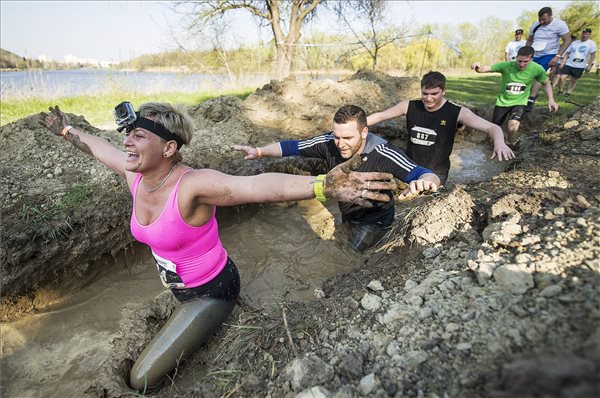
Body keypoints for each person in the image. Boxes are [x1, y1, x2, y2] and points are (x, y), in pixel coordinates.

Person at [38, 102, 397, 392]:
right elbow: (100, 149)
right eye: (128, 135)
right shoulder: (136, 175)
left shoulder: (193, 185)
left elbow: (257, 187)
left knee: (140, 379)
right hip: (180, 287)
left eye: (139, 136)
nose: (127, 143)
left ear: (168, 147)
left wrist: (322, 187)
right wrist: (68, 130)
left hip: (211, 291)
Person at [232, 104, 440, 252]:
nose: (341, 144)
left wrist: (427, 182)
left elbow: (423, 173)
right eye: (337, 136)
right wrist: (258, 151)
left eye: (348, 138)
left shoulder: (384, 153)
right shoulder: (328, 142)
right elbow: (291, 146)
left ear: (364, 132)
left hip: (375, 221)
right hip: (347, 213)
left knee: (348, 256)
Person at [366, 71, 515, 185]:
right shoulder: (409, 106)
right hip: (409, 166)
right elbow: (380, 116)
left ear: (443, 91)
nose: (429, 98)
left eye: (434, 94)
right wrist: (356, 126)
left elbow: (492, 127)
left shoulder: (457, 112)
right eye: (425, 93)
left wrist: (500, 143)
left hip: (437, 171)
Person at [471, 46, 559, 147]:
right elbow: (485, 69)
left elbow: (546, 83)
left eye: (525, 62)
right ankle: (488, 145)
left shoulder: (536, 68)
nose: (522, 64)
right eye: (519, 61)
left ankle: (509, 143)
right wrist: (477, 67)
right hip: (503, 102)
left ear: (531, 59)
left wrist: (551, 100)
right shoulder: (506, 66)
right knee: (494, 128)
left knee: (513, 125)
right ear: (516, 57)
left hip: (520, 102)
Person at [525, 6, 571, 111]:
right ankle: (526, 96)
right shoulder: (535, 26)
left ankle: (531, 99)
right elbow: (529, 40)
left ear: (550, 16)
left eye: (544, 19)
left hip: (549, 54)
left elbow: (567, 40)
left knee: (539, 74)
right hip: (534, 53)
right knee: (528, 75)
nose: (541, 22)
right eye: (539, 19)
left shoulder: (560, 25)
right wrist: (526, 52)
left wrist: (558, 56)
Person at [553, 28, 597, 97]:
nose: (584, 35)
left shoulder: (591, 44)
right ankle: (560, 90)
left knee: (573, 80)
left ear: (589, 35)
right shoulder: (575, 42)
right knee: (562, 78)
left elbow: (593, 55)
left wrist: (589, 65)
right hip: (569, 63)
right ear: (581, 34)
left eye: (586, 34)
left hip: (579, 66)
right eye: (583, 33)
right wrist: (563, 62)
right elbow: (567, 53)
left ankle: (568, 92)